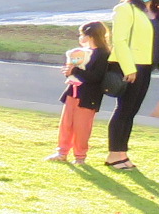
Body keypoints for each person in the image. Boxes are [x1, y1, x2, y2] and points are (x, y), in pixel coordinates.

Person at [102, 0, 159, 170]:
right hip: (129, 66)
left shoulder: (153, 11)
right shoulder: (125, 9)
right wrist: (129, 68)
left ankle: (121, 153)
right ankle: (114, 154)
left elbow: (148, 38)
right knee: (123, 110)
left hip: (146, 65)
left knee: (131, 111)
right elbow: (120, 41)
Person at [47, 20, 112, 164]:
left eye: (83, 34)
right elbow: (74, 71)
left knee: (82, 128)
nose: (81, 38)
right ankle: (62, 152)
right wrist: (69, 71)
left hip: (88, 97)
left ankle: (80, 156)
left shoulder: (102, 54)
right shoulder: (81, 53)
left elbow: (96, 77)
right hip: (72, 93)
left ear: (92, 36)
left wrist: (75, 70)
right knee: (66, 124)